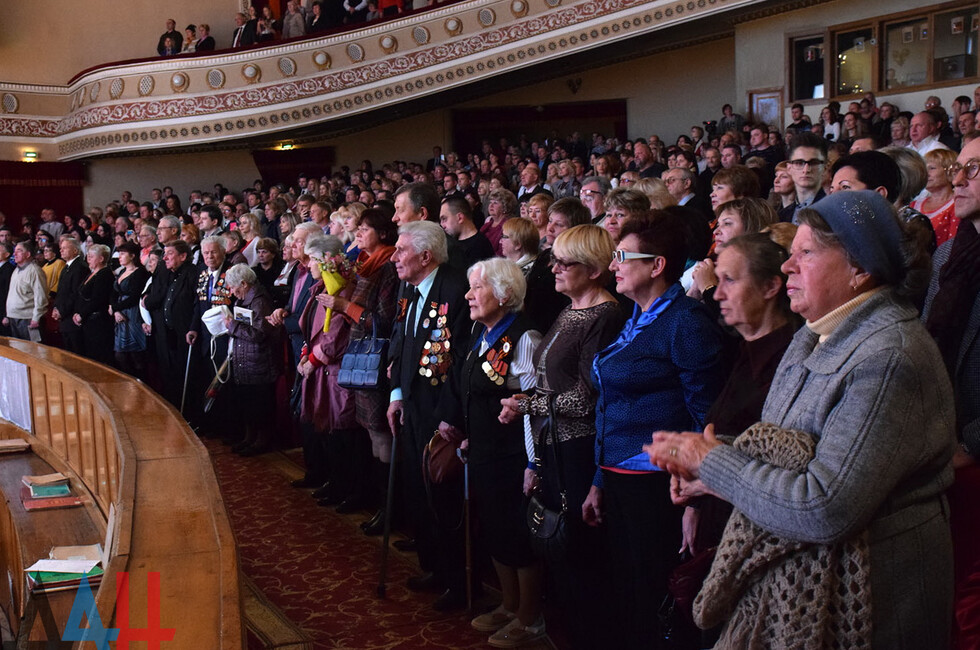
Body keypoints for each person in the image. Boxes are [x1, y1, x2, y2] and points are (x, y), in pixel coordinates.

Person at [647, 190, 953, 649]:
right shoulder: (817, 335)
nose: (787, 267)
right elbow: (796, 449)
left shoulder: (890, 355)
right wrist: (709, 466)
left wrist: (714, 464)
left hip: (872, 607)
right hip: (807, 590)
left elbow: (824, 507)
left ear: (860, 269)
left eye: (805, 253)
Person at [584, 211, 725, 646]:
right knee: (628, 593)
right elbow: (610, 402)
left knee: (656, 597)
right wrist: (597, 478)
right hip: (619, 477)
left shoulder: (686, 321)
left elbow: (706, 417)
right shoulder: (636, 317)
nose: (614, 265)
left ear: (657, 264)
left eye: (622, 256)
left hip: (659, 485)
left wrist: (695, 500)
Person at [668, 232, 797, 647]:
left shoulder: (792, 358)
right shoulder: (743, 350)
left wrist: (705, 479)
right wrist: (694, 500)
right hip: (718, 525)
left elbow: (786, 469)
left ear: (771, 286)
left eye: (729, 280)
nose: (716, 292)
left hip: (765, 547)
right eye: (716, 280)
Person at [499, 225, 623, 649]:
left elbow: (587, 397)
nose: (553, 267)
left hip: (578, 448)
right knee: (559, 552)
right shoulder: (570, 309)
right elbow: (552, 385)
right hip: (553, 443)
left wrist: (527, 404)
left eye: (564, 262)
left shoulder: (606, 315)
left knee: (579, 555)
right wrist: (527, 402)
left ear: (591, 270)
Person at [436, 258, 543, 646]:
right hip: (483, 451)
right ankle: (510, 605)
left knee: (517, 535)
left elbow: (533, 405)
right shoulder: (482, 334)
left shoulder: (525, 337)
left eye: (477, 287)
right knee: (496, 531)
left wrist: (534, 462)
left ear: (504, 293)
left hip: (514, 457)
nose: (468, 295)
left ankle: (531, 617)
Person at [387, 221, 471, 612]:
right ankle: (435, 568)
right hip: (412, 407)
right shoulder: (409, 287)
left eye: (401, 250)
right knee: (419, 492)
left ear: (426, 255)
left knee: (444, 497)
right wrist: (396, 394)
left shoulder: (456, 290)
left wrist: (448, 416)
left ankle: (459, 582)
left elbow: (460, 362)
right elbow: (401, 343)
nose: (394, 257)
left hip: (442, 415)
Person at [923, 137, 980, 649]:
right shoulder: (949, 256)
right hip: (946, 445)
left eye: (974, 169)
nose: (957, 179)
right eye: (957, 168)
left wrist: (972, 444)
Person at [321, 209, 399, 534]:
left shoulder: (388, 268)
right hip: (362, 357)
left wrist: (344, 307)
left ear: (381, 233)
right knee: (371, 434)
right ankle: (380, 503)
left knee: (381, 434)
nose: (358, 235)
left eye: (364, 229)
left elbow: (382, 322)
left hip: (377, 361)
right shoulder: (366, 266)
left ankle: (391, 508)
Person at [224, 264, 282, 455]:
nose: (232, 292)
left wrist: (233, 326)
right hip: (245, 359)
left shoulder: (259, 301)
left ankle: (262, 440)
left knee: (260, 403)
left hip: (259, 360)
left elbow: (260, 334)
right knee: (247, 402)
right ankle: (250, 437)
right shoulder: (244, 299)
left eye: (233, 287)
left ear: (244, 283)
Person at [110, 241, 150, 377]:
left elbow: (134, 296)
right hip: (120, 313)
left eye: (122, 254)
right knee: (120, 354)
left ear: (132, 255)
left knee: (135, 354)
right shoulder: (121, 271)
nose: (119, 257)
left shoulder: (140, 273)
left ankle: (141, 382)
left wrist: (115, 307)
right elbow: (114, 293)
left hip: (133, 314)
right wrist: (115, 310)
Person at [73, 244, 115, 366]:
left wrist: (82, 314)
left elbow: (98, 299)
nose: (88, 259)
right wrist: (77, 312)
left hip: (98, 322)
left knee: (99, 357)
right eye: (88, 256)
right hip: (88, 321)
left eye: (91, 256)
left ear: (101, 259)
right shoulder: (92, 273)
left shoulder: (105, 274)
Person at [911, 148, 959, 246]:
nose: (926, 174)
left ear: (950, 171)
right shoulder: (914, 205)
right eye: (925, 169)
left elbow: (952, 247)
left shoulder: (957, 206)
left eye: (932, 168)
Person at [4, 241, 48, 343]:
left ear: (28, 254)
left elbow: (41, 297)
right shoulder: (16, 270)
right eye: (14, 251)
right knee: (18, 352)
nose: (14, 254)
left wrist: (36, 318)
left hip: (27, 319)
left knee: (32, 351)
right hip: (14, 317)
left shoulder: (35, 271)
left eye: (19, 251)